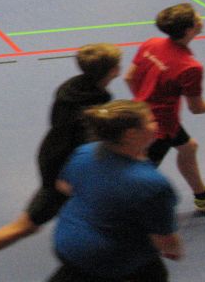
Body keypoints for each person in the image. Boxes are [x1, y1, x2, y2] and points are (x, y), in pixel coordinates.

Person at [0, 44, 121, 282]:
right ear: (112, 71)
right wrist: (63, 179)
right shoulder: (93, 106)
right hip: (64, 174)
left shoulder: (72, 88)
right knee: (26, 226)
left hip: (52, 157)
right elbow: (85, 146)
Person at [127, 4, 205, 211]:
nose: (201, 18)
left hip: (141, 112)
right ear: (190, 30)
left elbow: (129, 77)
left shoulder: (151, 43)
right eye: (197, 17)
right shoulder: (190, 67)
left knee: (189, 148)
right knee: (142, 173)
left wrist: (143, 99)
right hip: (160, 127)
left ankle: (202, 196)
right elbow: (196, 108)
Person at [48, 100, 181, 282]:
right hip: (107, 259)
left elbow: (64, 185)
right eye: (151, 121)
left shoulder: (85, 152)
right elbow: (165, 240)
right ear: (131, 134)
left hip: (66, 243)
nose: (156, 124)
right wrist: (175, 250)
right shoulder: (152, 183)